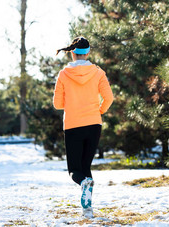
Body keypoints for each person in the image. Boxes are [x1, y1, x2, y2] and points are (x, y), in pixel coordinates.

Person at [53, 37, 114, 218]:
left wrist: (72, 104)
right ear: (88, 53)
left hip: (73, 125)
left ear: (73, 53)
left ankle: (85, 191)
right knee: (86, 167)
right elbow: (109, 98)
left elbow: (57, 104)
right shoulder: (98, 73)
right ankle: (87, 209)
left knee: (74, 170)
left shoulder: (64, 74)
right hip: (94, 123)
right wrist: (98, 111)